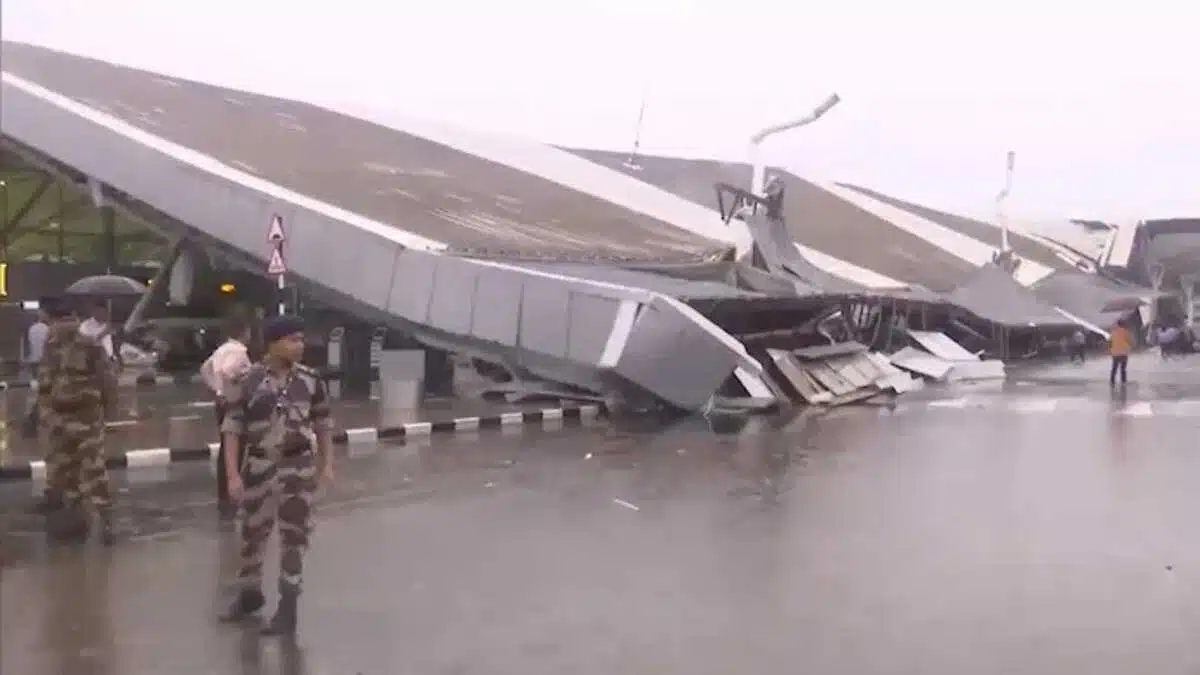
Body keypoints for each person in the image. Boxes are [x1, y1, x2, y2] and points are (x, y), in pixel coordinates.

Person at [219, 315, 335, 636]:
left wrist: (327, 465)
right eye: (292, 340)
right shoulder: (248, 381)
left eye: (301, 339)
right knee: (252, 534)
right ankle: (250, 594)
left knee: (294, 539)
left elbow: (324, 425)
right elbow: (232, 430)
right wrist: (232, 475)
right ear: (273, 343)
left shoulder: (311, 381)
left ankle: (288, 608)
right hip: (258, 468)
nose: (300, 346)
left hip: (297, 468)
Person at [35, 297, 119, 543]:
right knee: (79, 471)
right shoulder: (63, 346)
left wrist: (46, 414)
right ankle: (89, 522)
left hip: (76, 419)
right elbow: (107, 380)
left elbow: (106, 382)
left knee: (80, 471)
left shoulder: (78, 345)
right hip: (74, 419)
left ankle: (93, 523)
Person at [201, 314, 253, 516]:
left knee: (226, 449)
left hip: (221, 404)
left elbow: (205, 369)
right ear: (244, 332)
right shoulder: (239, 351)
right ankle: (232, 495)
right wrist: (231, 385)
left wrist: (217, 390)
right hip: (234, 405)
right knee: (236, 451)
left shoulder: (221, 349)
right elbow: (228, 370)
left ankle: (223, 497)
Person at [21, 307, 50, 438]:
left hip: (33, 362)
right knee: (45, 392)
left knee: (38, 390)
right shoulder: (48, 329)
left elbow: (28, 346)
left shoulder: (32, 329)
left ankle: (31, 421)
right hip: (44, 362)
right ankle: (33, 421)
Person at [1109, 317, 1132, 387]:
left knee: (1114, 368)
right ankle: (1123, 381)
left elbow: (1110, 342)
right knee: (1123, 369)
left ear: (1118, 324)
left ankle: (1112, 381)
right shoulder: (1125, 331)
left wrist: (1110, 350)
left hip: (1115, 353)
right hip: (1124, 353)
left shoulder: (1113, 332)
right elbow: (1128, 341)